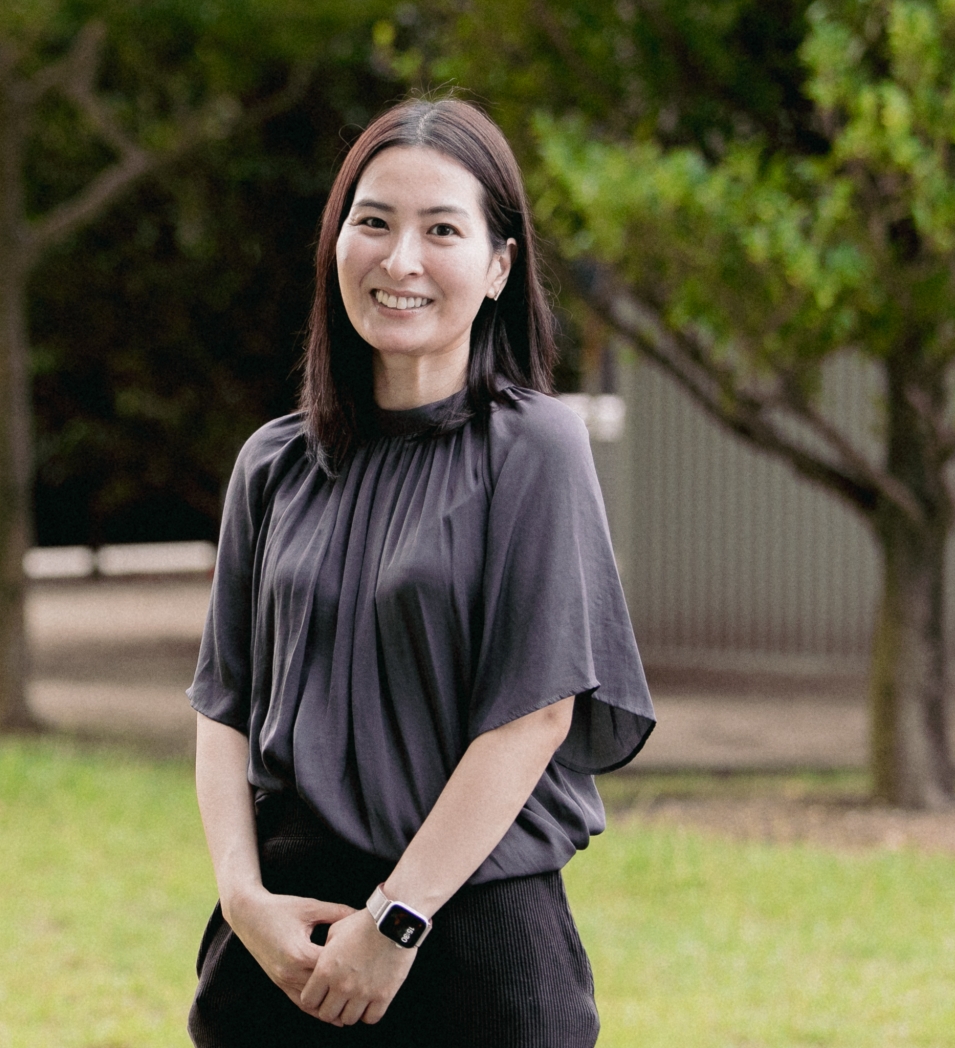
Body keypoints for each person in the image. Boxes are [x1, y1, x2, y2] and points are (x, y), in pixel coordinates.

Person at [186, 97, 655, 1047]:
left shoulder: (537, 449)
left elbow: (535, 714)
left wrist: (398, 919)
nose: (400, 261)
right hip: (286, 938)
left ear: (498, 267)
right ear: (336, 245)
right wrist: (243, 901)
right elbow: (223, 707)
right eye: (374, 222)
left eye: (441, 229)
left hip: (474, 932)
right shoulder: (272, 464)